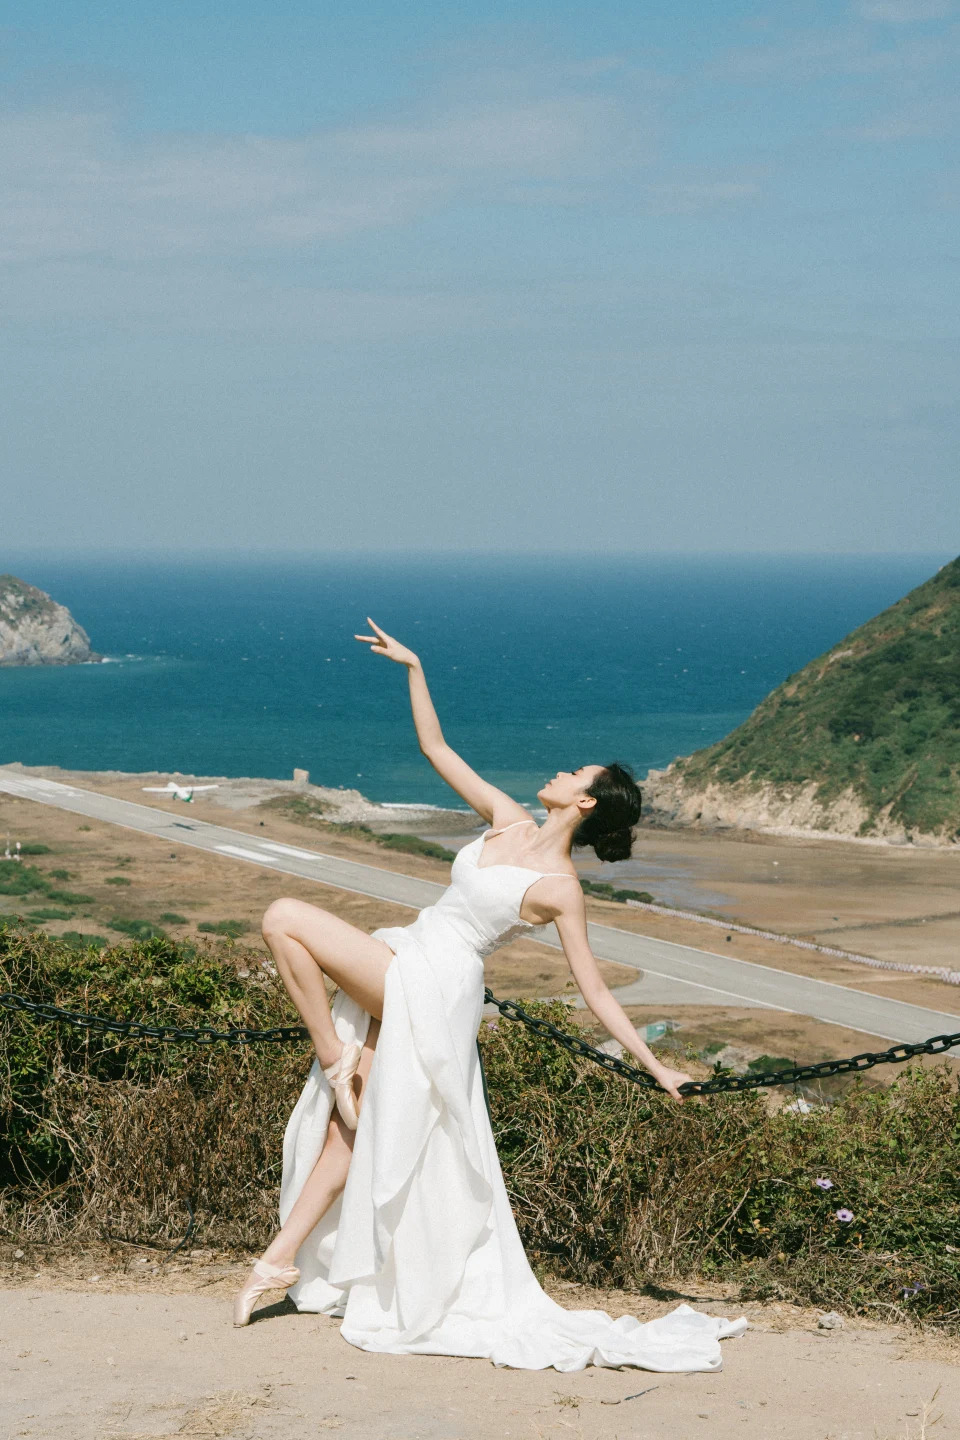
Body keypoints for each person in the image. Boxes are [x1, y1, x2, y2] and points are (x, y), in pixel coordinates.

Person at [233, 619, 746, 1371]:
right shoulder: (506, 820)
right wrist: (414, 666)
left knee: (284, 919)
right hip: (411, 952)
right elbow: (435, 750)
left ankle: (332, 1056)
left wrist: (655, 1065)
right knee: (359, 1122)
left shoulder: (559, 889)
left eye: (577, 774)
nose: (563, 771)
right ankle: (279, 1258)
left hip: (438, 983)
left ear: (587, 804)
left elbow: (595, 988)